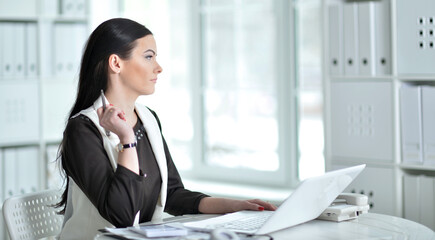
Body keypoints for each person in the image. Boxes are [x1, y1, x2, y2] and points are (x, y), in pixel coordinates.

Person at [56, 18, 276, 239]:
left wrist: (232, 206)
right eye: (149, 57)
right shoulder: (82, 130)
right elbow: (121, 215)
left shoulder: (148, 118)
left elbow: (171, 194)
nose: (158, 68)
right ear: (116, 63)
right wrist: (127, 139)